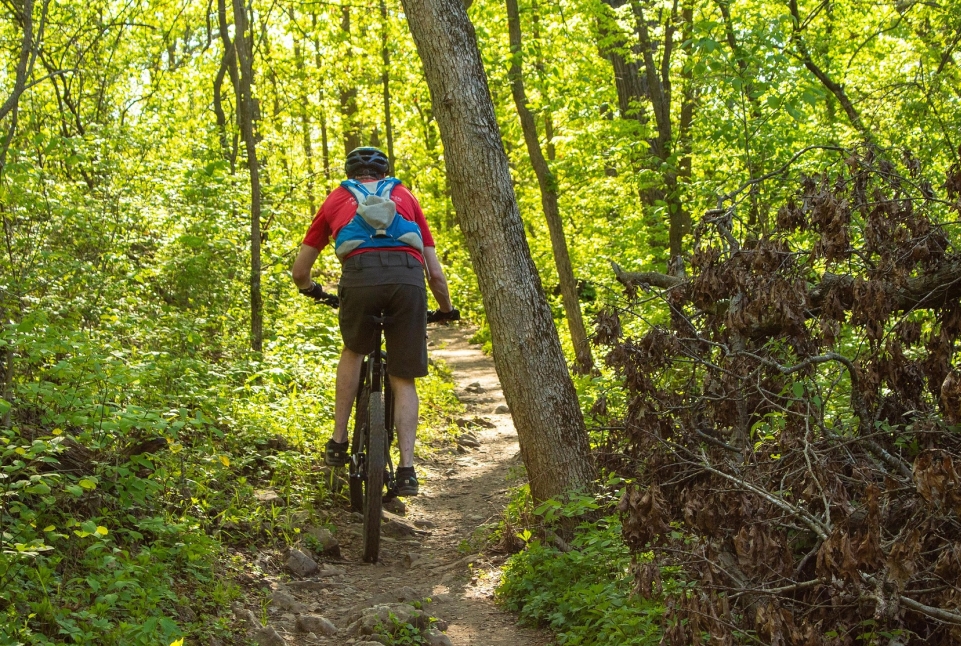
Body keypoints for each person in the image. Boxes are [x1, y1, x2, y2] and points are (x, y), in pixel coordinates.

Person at [291, 146, 457, 497]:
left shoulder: (336, 199)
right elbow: (436, 275)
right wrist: (446, 309)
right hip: (407, 280)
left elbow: (300, 271)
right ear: (384, 173)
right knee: (403, 376)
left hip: (359, 278)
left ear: (351, 173)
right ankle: (408, 469)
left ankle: (338, 441)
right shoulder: (405, 196)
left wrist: (312, 291)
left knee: (353, 351)